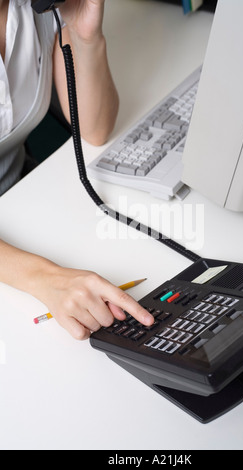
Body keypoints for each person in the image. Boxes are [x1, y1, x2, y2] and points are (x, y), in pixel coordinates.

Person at [0, 0, 154, 339]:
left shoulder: (32, 9)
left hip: (18, 204)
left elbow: (95, 128)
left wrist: (84, 35)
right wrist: (44, 278)